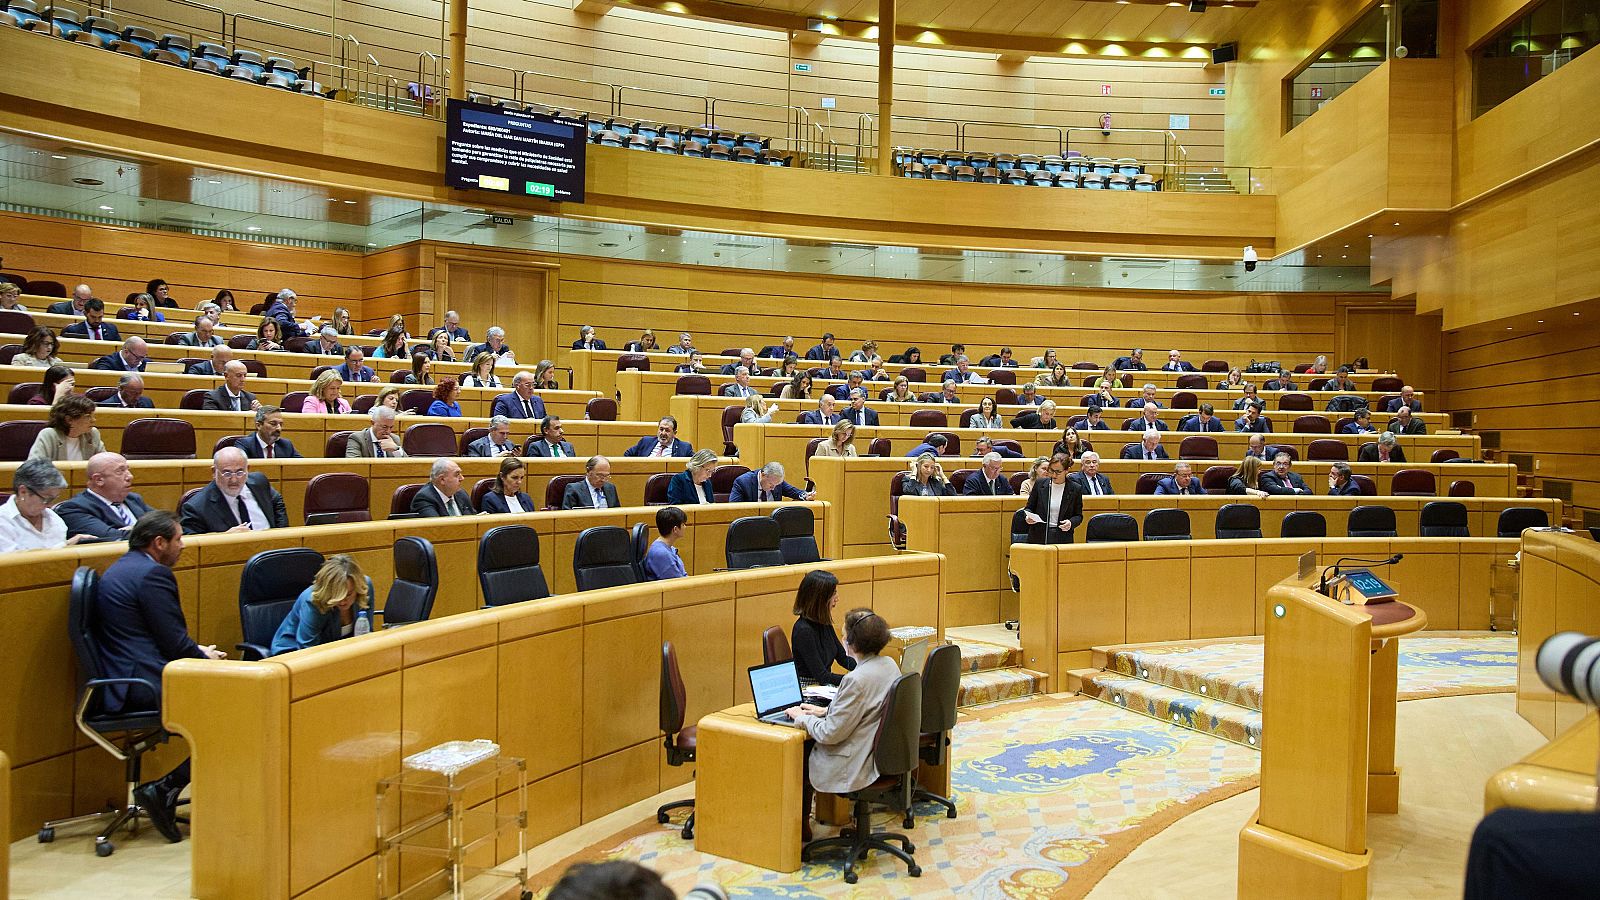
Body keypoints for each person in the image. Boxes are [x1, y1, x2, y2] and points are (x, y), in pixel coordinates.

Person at [94, 509, 226, 843]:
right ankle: (165, 788)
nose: (183, 545)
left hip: (128, 675)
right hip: (143, 685)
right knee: (237, 708)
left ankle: (167, 789)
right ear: (158, 543)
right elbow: (175, 643)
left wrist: (197, 651)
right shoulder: (153, 575)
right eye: (179, 539)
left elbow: (148, 635)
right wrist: (205, 658)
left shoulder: (124, 568)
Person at [786, 609, 899, 838]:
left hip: (854, 761)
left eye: (844, 634)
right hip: (880, 753)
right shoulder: (889, 665)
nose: (842, 638)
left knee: (794, 755)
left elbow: (830, 734)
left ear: (851, 643)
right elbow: (866, 708)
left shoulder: (854, 680)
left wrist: (802, 717)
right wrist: (825, 711)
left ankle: (795, 829)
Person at [268, 555, 373, 656]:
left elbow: (366, 636)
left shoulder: (365, 587)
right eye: (336, 595)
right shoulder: (313, 600)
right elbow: (307, 650)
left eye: (348, 594)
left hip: (336, 652)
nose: (342, 601)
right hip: (293, 654)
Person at [180, 447, 288, 534]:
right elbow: (192, 546)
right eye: (227, 473)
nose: (234, 480)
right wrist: (224, 538)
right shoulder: (196, 508)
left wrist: (280, 535)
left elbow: (277, 501)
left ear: (247, 469)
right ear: (214, 472)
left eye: (240, 472)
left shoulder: (259, 482)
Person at [56, 452, 154, 541]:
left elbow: (162, 522)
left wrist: (133, 529)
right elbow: (111, 537)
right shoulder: (74, 508)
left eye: (128, 469)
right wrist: (147, 529)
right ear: (98, 480)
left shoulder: (133, 499)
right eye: (120, 471)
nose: (130, 476)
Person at [789, 570, 854, 686]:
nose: (837, 598)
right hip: (809, 687)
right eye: (833, 593)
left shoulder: (824, 622)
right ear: (820, 598)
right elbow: (822, 676)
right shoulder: (803, 631)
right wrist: (854, 680)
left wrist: (865, 669)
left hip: (824, 686)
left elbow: (843, 658)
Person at [0, 459, 81, 551]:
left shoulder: (54, 518)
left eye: (53, 499)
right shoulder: (3, 520)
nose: (50, 505)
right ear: (23, 492)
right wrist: (65, 544)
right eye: (46, 499)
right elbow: (13, 559)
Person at [1024, 453, 1082, 543]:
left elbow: (1078, 516)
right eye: (1051, 470)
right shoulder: (1040, 484)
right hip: (1039, 535)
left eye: (1058, 472)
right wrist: (1028, 517)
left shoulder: (1075, 488)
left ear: (1067, 470)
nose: (1054, 475)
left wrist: (1071, 523)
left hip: (1063, 536)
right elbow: (1029, 508)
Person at [28, 395, 104, 462]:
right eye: (88, 416)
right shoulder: (49, 435)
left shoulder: (92, 434)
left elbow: (104, 462)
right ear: (69, 420)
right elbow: (34, 466)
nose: (93, 420)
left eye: (93, 416)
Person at [642, 506, 688, 581]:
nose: (685, 527)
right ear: (675, 529)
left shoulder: (669, 548)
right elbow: (677, 583)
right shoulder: (661, 553)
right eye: (683, 524)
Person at [731, 461, 815, 502]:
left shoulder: (776, 482)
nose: (773, 488)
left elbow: (794, 492)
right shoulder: (742, 482)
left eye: (776, 485)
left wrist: (806, 496)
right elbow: (734, 508)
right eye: (770, 484)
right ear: (763, 475)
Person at [236, 406, 300, 459]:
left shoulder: (286, 445)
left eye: (280, 424)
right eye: (273, 424)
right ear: (259, 425)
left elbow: (301, 466)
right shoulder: (245, 445)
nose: (279, 428)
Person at [624, 417, 693, 457]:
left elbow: (695, 464)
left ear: (674, 433)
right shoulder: (646, 441)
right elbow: (627, 455)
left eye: (667, 430)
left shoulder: (684, 448)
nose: (663, 433)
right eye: (661, 429)